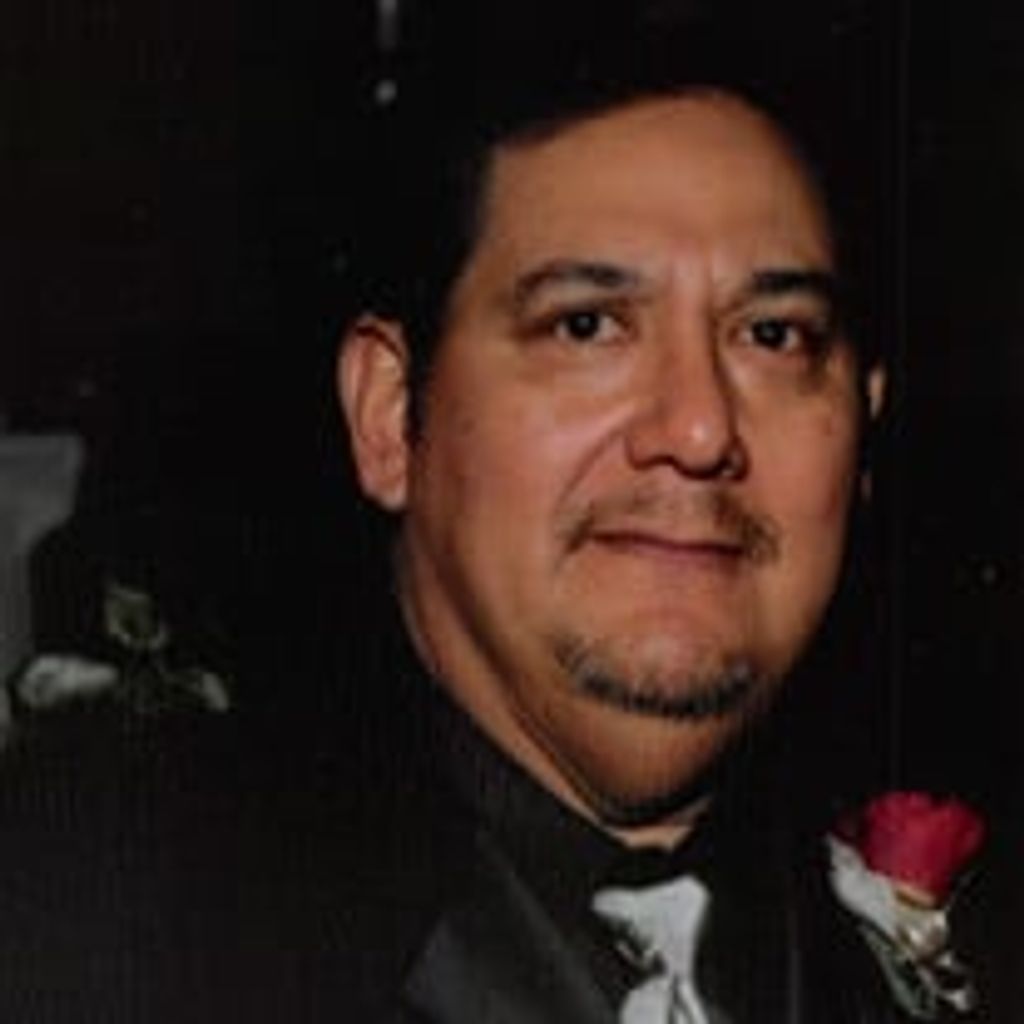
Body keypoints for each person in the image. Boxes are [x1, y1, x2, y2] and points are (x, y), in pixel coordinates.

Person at [0, 7, 909, 1023]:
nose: (700, 428)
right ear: (391, 416)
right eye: (586, 326)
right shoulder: (91, 929)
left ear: (866, 424)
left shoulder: (962, 921)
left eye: (775, 336)